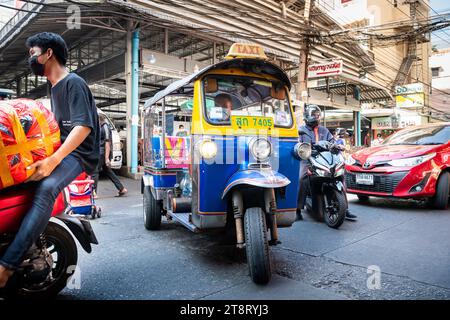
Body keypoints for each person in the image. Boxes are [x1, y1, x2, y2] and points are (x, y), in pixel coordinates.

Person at [0, 32, 100, 287]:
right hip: (61, 149)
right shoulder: (53, 87)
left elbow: (83, 128)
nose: (30, 58)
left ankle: (6, 266)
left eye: (33, 52)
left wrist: (52, 161)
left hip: (78, 154)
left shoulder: (73, 82)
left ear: (48, 54)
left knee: (46, 187)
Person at [297, 104, 357, 221]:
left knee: (340, 175)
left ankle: (345, 208)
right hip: (307, 159)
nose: (316, 117)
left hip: (324, 158)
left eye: (317, 115)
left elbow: (332, 142)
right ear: (307, 116)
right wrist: (311, 146)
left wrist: (337, 146)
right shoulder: (301, 131)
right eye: (314, 115)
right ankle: (298, 209)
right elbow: (298, 145)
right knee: (301, 178)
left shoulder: (324, 130)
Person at [92, 114, 127, 198]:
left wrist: (107, 158)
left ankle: (93, 193)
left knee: (95, 171)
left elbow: (107, 143)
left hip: (102, 153)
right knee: (108, 171)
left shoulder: (105, 127)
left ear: (99, 120)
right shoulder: (102, 127)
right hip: (102, 153)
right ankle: (121, 189)